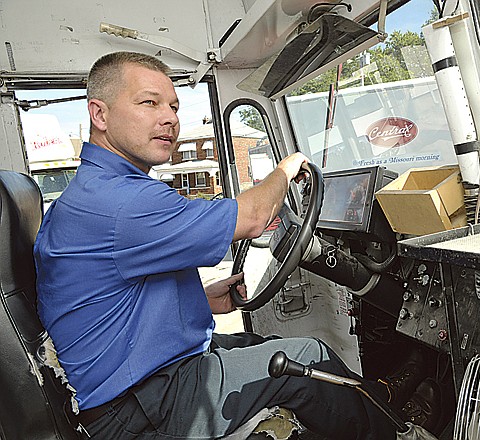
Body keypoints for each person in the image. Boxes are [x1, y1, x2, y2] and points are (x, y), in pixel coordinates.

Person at [33, 51, 405, 439]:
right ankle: (396, 432)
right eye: (149, 102)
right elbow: (254, 218)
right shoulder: (121, 203)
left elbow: (100, 296)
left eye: (174, 106)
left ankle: (377, 401)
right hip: (139, 407)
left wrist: (200, 300)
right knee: (307, 358)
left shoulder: (88, 195)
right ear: (100, 115)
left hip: (133, 387)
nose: (170, 118)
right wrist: (287, 169)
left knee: (265, 345)